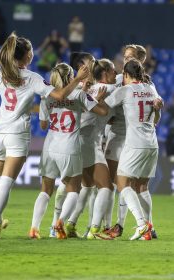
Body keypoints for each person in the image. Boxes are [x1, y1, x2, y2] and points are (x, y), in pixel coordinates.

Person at [0, 32, 89, 239]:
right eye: (32, 51)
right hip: (17, 133)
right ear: (27, 56)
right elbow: (60, 95)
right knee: (6, 182)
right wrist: (78, 78)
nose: (33, 54)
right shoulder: (32, 78)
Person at [28, 62, 108, 239]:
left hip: (50, 146)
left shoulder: (47, 96)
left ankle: (34, 228)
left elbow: (42, 125)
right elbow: (102, 112)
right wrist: (98, 99)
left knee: (45, 190)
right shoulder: (79, 94)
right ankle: (60, 222)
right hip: (70, 146)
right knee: (73, 189)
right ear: (70, 76)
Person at [105, 44, 163, 240]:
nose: (125, 59)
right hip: (151, 142)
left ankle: (141, 224)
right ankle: (149, 228)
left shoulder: (125, 88)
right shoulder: (150, 87)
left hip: (132, 141)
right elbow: (157, 117)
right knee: (142, 187)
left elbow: (101, 107)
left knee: (121, 182)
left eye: (129, 58)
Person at [65, 59, 117, 240]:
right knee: (106, 187)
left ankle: (70, 225)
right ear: (105, 73)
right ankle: (95, 230)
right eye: (113, 72)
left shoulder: (85, 90)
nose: (116, 75)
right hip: (90, 142)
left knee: (87, 187)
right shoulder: (110, 90)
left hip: (75, 140)